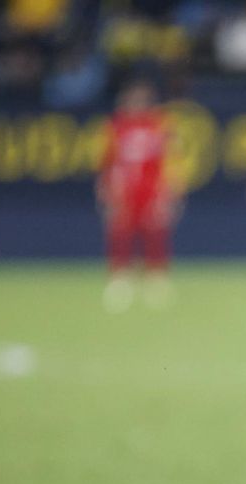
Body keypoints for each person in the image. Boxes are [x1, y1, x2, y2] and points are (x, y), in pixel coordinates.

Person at [98, 79, 179, 312]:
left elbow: (167, 160)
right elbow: (107, 161)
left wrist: (167, 191)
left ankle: (156, 278)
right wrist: (106, 189)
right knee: (121, 231)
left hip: (150, 188)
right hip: (124, 189)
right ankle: (120, 278)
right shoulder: (116, 126)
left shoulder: (158, 125)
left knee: (154, 230)